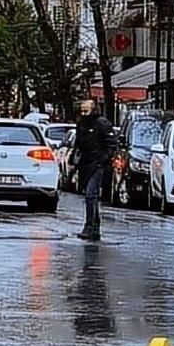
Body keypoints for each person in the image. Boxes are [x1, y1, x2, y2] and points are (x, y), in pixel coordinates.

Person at [72, 99, 116, 241]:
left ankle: (90, 226)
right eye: (82, 111)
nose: (84, 113)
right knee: (90, 196)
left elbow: (111, 145)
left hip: (97, 164)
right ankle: (94, 226)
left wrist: (102, 159)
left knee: (91, 195)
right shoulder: (81, 124)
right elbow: (78, 143)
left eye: (86, 110)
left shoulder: (102, 124)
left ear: (93, 109)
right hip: (85, 164)